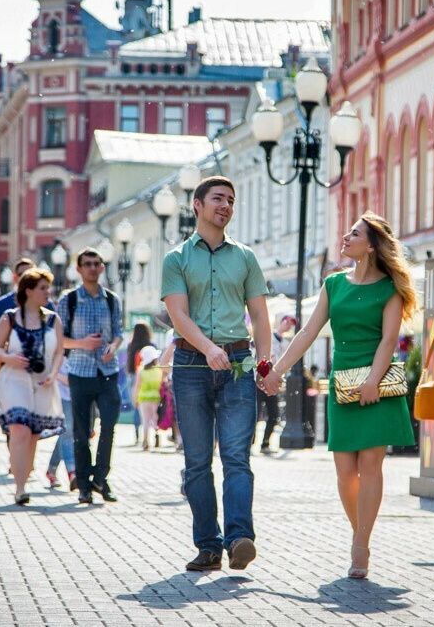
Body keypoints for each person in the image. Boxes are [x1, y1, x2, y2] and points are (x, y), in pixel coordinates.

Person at [261, 212, 416, 579]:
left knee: (370, 466)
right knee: (345, 472)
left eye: (355, 233)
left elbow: (389, 340)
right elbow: (307, 334)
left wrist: (374, 381)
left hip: (376, 383)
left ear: (373, 245)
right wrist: (278, 370)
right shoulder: (333, 284)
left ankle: (360, 546)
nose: (345, 236)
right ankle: (359, 531)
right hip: (343, 384)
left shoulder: (390, 288)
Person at [162, 176, 272, 572]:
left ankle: (240, 537)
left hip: (238, 364)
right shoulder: (176, 258)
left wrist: (265, 361)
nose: (225, 205)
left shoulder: (244, 257)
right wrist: (208, 348)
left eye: (231, 200)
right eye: (218, 199)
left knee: (237, 458)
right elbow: (178, 314)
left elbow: (259, 315)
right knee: (196, 462)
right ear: (197, 205)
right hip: (191, 365)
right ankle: (208, 545)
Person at [55, 248, 125, 505]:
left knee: (109, 426)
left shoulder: (111, 299)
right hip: (80, 373)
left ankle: (101, 478)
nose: (93, 268)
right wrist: (82, 343)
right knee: (82, 432)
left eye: (97, 263)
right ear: (79, 269)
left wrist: (113, 347)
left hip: (108, 372)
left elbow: (119, 331)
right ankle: (84, 485)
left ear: (103, 267)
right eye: (87, 264)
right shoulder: (69, 300)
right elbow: (58, 338)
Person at [0, 267, 65, 505]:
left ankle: (24, 474)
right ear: (29, 290)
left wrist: (54, 374)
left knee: (33, 434)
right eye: (43, 288)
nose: (48, 292)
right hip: (14, 379)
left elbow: (59, 352)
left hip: (42, 381)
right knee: (20, 429)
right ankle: (20, 487)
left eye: (48, 288)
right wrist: (9, 358)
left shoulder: (53, 320)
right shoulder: (10, 317)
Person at [259, 314, 297, 455]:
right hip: (259, 380)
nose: (288, 326)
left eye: (291, 324)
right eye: (287, 322)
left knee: (274, 414)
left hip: (273, 382)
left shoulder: (286, 344)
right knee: (254, 414)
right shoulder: (268, 337)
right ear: (281, 322)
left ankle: (265, 443)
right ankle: (249, 444)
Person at [46, 359, 77, 491]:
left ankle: (51, 470)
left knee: (66, 434)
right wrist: (57, 375)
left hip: (78, 395)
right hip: (61, 395)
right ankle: (72, 471)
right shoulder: (59, 350)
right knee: (67, 431)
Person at [126, 322, 155, 444]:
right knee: (153, 409)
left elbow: (129, 363)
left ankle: (138, 434)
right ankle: (153, 434)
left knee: (137, 406)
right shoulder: (151, 345)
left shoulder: (131, 346)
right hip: (150, 376)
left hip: (134, 376)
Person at [133, 345, 164, 451]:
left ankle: (145, 440)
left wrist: (135, 399)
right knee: (154, 418)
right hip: (156, 397)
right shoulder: (158, 370)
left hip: (143, 397)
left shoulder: (141, 370)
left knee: (145, 420)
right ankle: (156, 436)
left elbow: (137, 386)